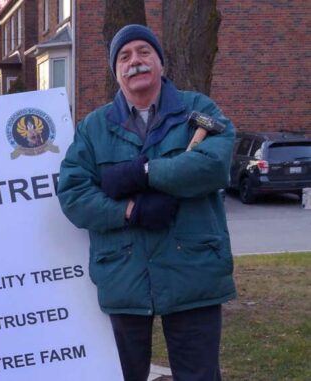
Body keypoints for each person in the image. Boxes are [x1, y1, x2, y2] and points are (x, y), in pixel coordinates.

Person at [57, 24, 236, 381]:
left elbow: (214, 165)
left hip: (192, 270)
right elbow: (74, 194)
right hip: (123, 275)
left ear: (160, 63)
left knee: (199, 375)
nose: (134, 62)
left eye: (143, 52)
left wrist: (146, 171)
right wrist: (129, 210)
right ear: (116, 72)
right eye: (124, 57)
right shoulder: (93, 129)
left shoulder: (197, 109)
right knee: (120, 375)